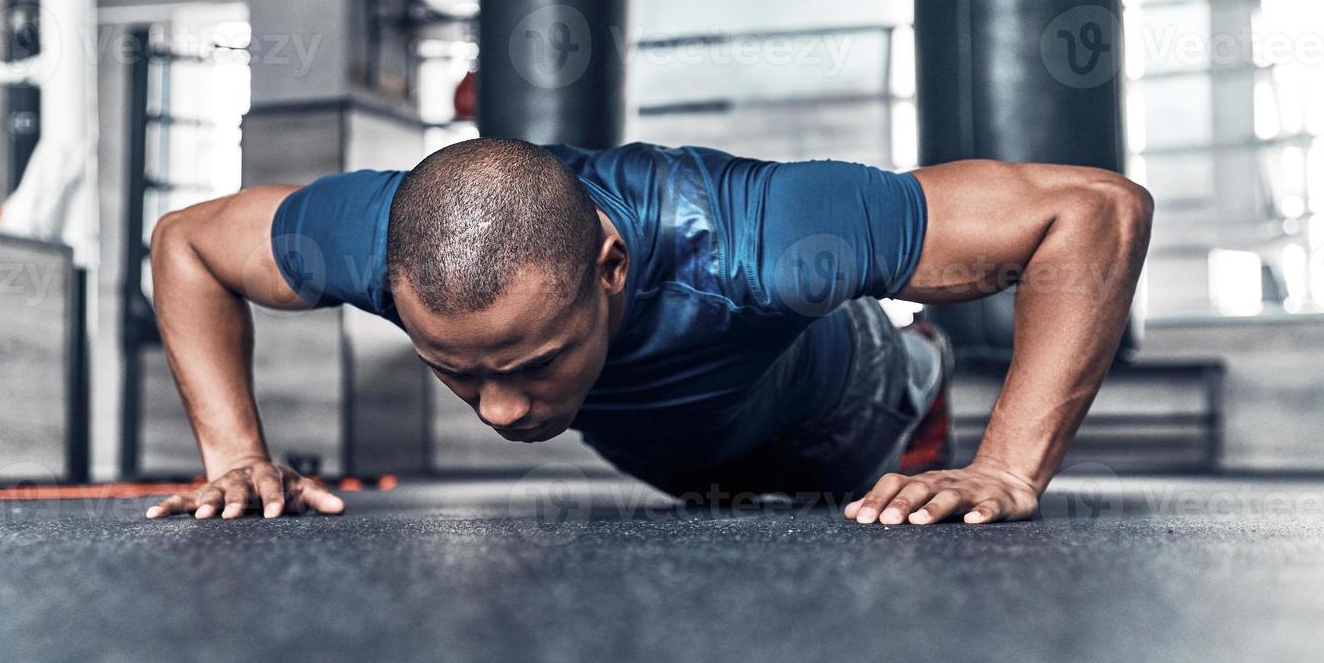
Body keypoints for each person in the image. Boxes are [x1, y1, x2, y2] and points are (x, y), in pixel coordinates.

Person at [144, 137, 1151, 526]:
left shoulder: (757, 233)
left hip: (852, 405)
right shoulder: (381, 245)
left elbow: (1095, 210)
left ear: (612, 267)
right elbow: (185, 241)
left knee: (901, 372)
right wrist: (236, 454)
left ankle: (926, 354)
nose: (498, 410)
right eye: (457, 372)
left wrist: (1009, 468)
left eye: (529, 363)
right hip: (676, 460)